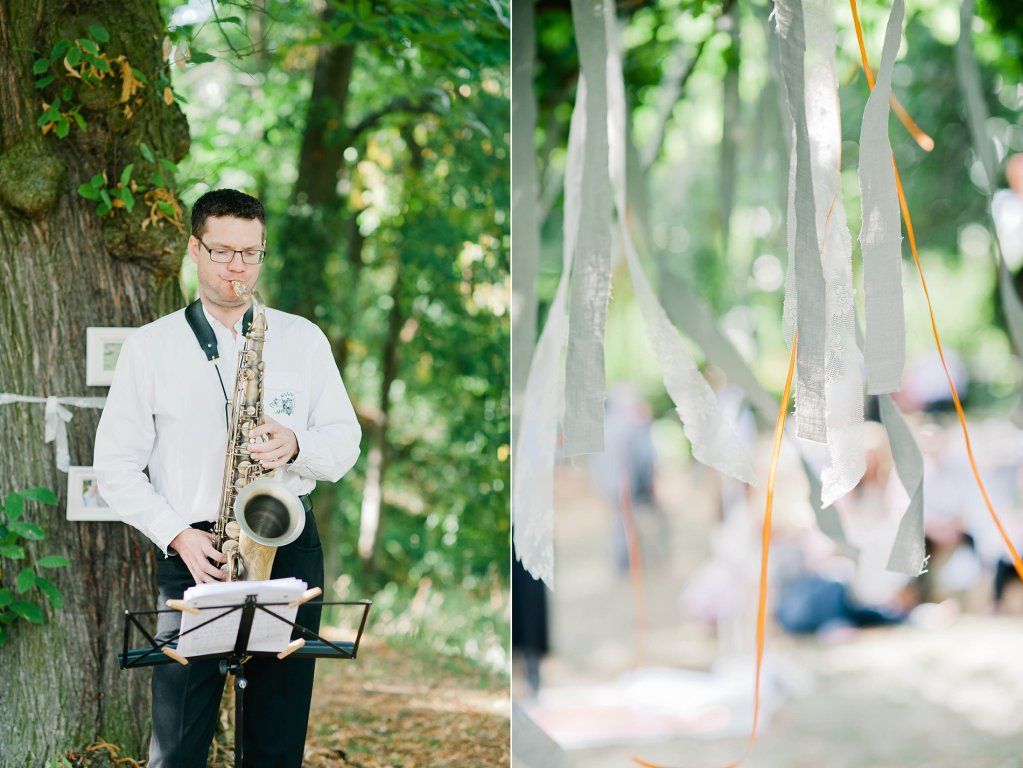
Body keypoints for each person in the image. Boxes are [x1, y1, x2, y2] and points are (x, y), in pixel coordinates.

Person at [94, 188, 362, 767]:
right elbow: (113, 466)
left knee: (277, 734)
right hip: (194, 548)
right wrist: (177, 535)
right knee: (179, 737)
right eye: (223, 251)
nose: (238, 267)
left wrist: (295, 444)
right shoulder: (151, 347)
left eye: (251, 253)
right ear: (195, 248)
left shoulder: (301, 339)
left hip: (286, 542)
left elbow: (344, 444)